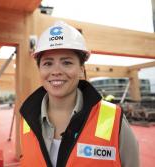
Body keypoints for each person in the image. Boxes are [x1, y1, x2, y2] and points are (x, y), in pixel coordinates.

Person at [19, 21, 139, 167]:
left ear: (81, 69)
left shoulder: (113, 119)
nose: (56, 71)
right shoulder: (27, 121)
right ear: (39, 69)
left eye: (67, 63)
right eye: (48, 63)